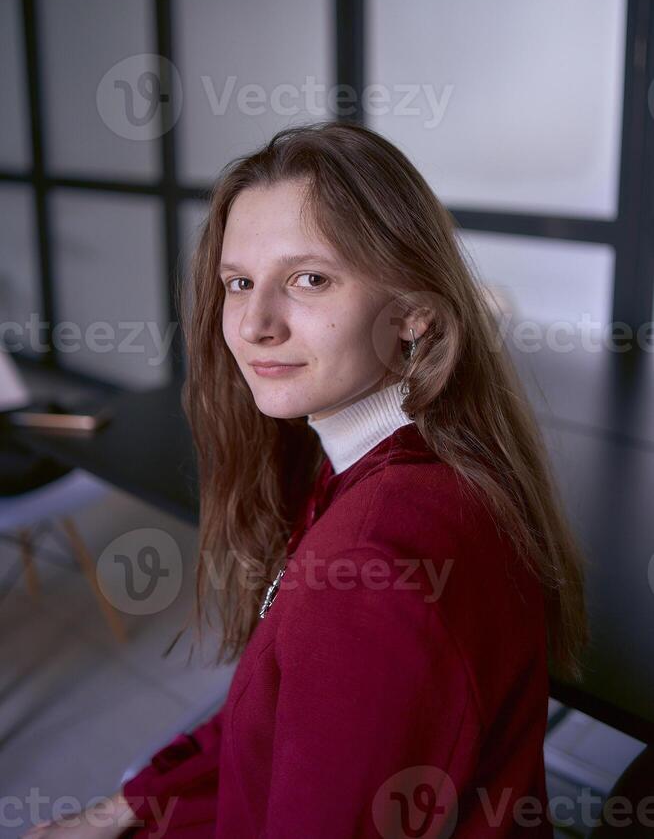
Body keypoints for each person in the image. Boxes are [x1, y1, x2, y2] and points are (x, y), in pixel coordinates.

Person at [22, 121, 589, 838]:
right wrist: (124, 807)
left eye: (309, 279)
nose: (254, 323)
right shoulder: (374, 469)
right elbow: (284, 724)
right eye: (238, 283)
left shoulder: (373, 566)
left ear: (414, 312)